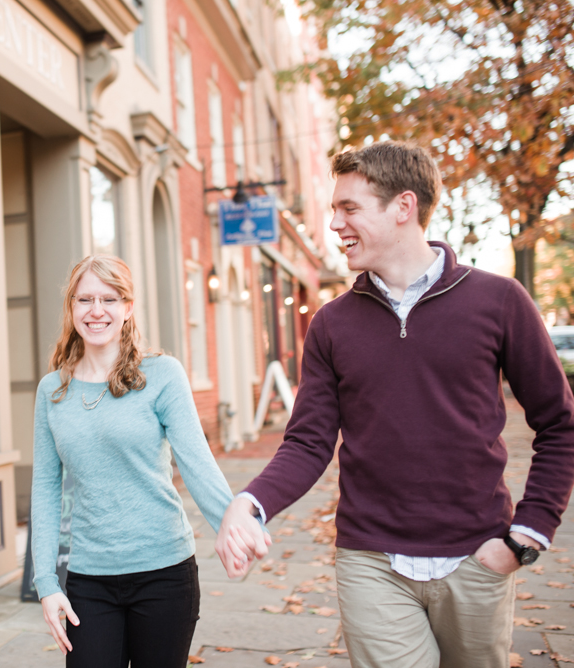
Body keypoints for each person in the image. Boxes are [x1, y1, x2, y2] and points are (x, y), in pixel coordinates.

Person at [215, 141, 574, 668]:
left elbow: (559, 424)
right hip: (370, 561)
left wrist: (526, 536)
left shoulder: (499, 301)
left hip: (477, 557)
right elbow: (309, 441)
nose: (333, 223)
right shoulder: (331, 324)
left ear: (403, 207)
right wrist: (250, 503)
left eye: (349, 208)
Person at [31, 254, 233, 668]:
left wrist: (232, 525)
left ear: (128, 308)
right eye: (85, 299)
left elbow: (196, 461)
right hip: (87, 579)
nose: (96, 310)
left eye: (109, 298)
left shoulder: (161, 375)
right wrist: (46, 583)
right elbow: (46, 488)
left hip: (164, 571)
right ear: (71, 308)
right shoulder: (52, 391)